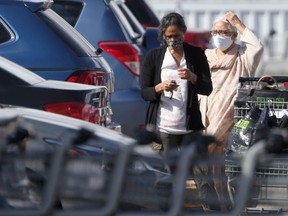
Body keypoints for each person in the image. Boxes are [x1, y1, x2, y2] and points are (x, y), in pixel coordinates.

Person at [140, 12, 220, 212]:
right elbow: (145, 92)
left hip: (190, 128)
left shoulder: (195, 54)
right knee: (166, 178)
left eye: (176, 36)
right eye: (168, 37)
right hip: (164, 128)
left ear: (184, 33)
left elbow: (207, 88)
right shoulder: (154, 57)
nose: (173, 40)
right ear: (163, 36)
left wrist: (192, 77)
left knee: (203, 177)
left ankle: (210, 211)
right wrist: (160, 87)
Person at [199, 11, 264, 210]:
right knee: (211, 165)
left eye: (223, 32)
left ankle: (234, 206)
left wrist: (237, 23)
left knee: (233, 169)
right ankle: (221, 207)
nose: (218, 35)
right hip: (208, 117)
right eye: (215, 31)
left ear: (233, 35)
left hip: (234, 121)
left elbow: (257, 46)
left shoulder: (243, 57)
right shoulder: (206, 56)